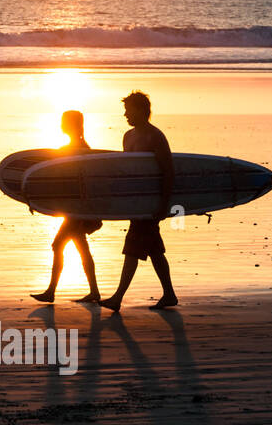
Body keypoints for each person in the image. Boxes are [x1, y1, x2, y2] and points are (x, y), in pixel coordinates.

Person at [99, 91, 178, 312]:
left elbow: (168, 172)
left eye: (129, 110)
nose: (125, 114)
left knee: (133, 248)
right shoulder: (128, 136)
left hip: (151, 203)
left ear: (142, 110)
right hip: (136, 203)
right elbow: (128, 172)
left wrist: (164, 204)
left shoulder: (155, 137)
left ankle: (117, 298)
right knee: (153, 250)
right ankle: (169, 294)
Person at [31, 110, 102, 304]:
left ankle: (52, 291)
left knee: (59, 245)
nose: (61, 124)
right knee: (81, 248)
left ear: (71, 125)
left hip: (78, 212)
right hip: (78, 210)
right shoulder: (81, 147)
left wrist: (35, 198)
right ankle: (93, 291)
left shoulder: (76, 149)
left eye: (64, 121)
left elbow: (60, 181)